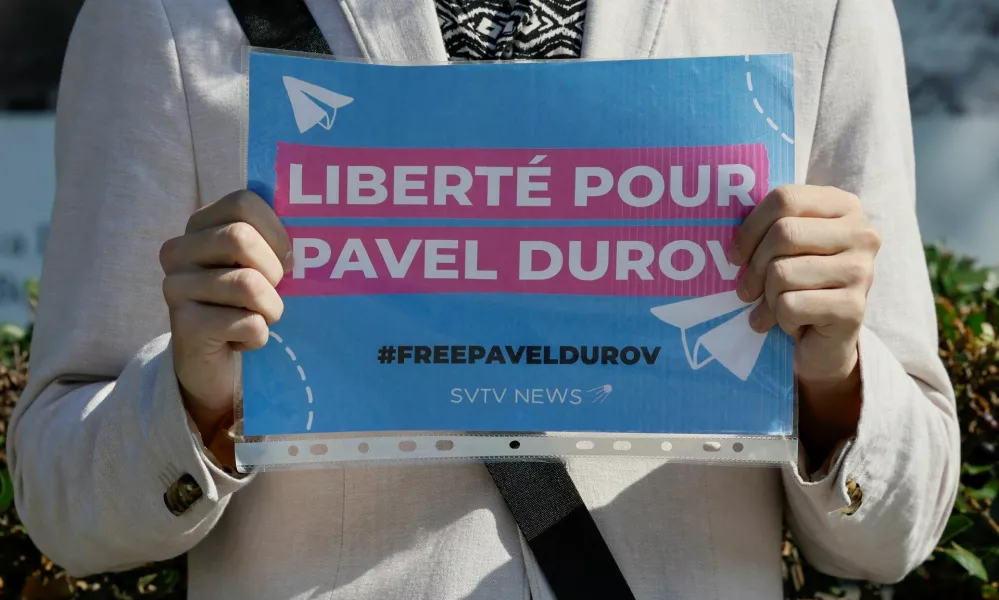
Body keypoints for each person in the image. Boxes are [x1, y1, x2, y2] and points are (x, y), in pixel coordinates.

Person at [8, 0, 960, 598]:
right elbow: (64, 501)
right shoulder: (170, 17)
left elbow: (894, 534)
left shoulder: (814, 12)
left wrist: (829, 375)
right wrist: (196, 398)